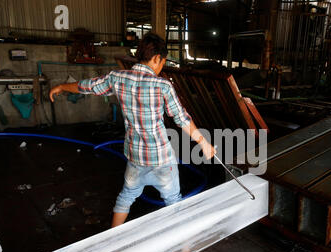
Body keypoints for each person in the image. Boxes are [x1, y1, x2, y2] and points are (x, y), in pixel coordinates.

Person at [49, 33, 216, 228]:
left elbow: (87, 86)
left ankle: (112, 238)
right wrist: (203, 143)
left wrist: (61, 86)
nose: (161, 67)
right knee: (173, 201)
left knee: (126, 196)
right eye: (162, 62)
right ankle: (183, 247)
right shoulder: (162, 85)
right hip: (161, 159)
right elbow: (181, 118)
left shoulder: (118, 78)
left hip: (135, 157)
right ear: (156, 58)